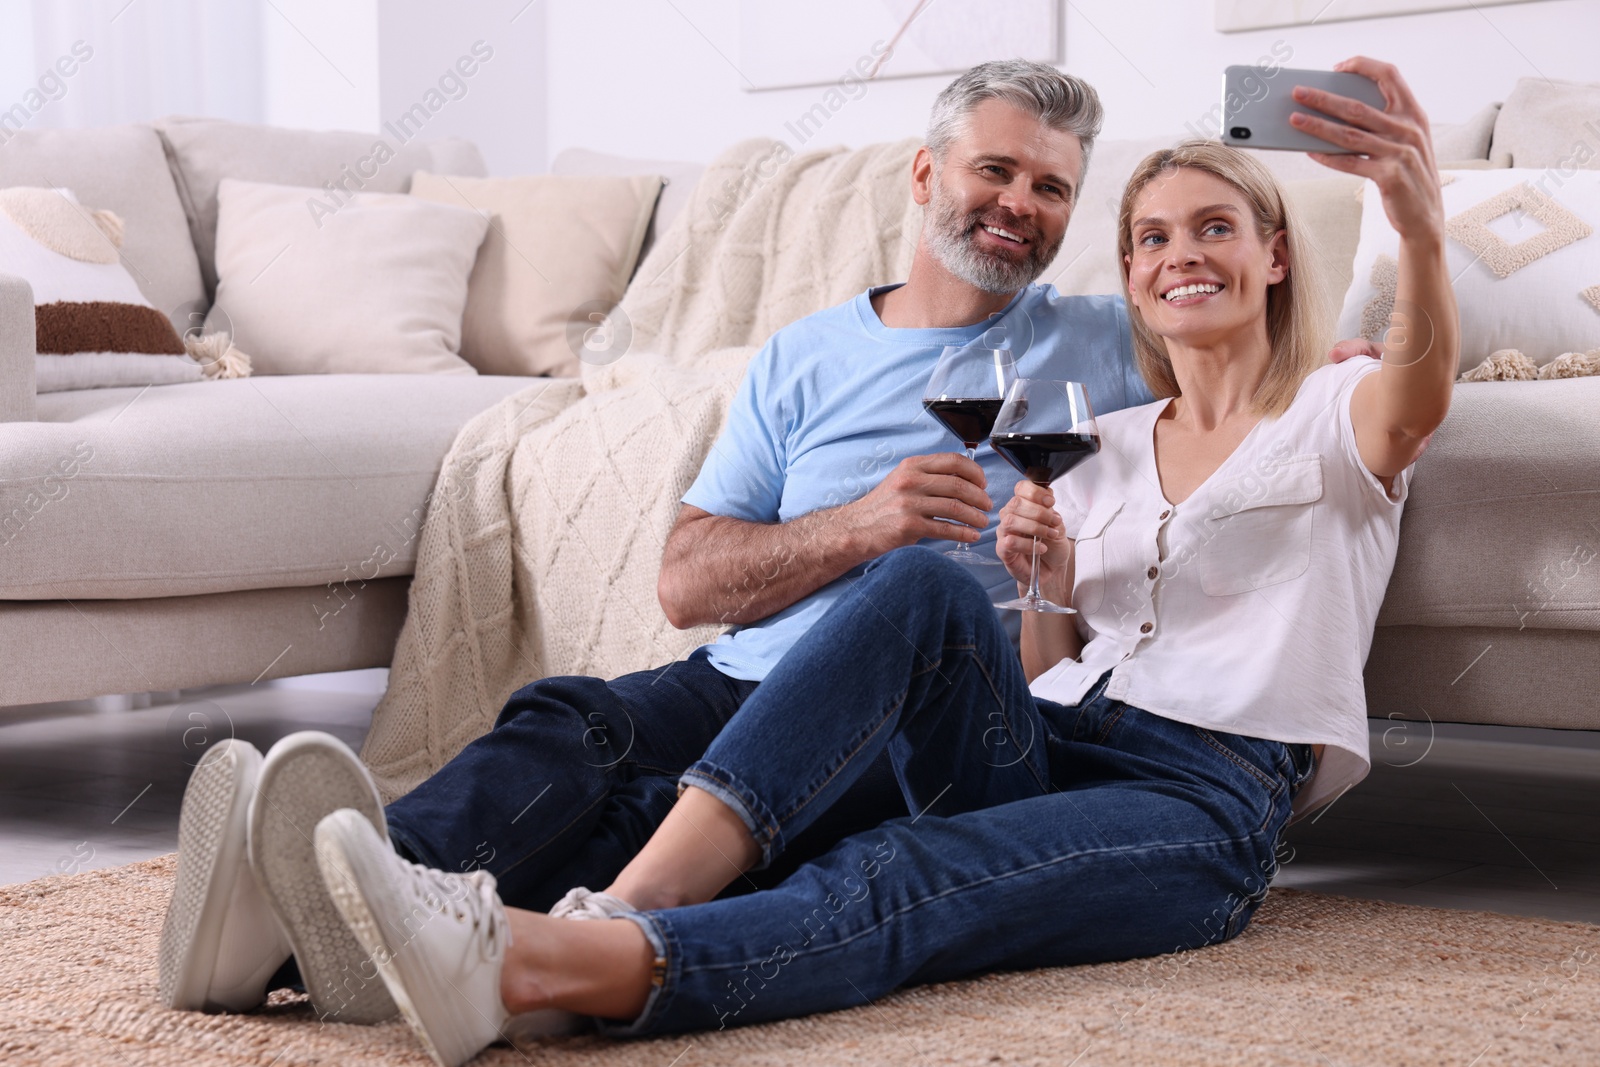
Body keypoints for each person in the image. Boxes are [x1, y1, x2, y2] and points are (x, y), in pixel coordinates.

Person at [159, 59, 1380, 1040]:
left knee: (685, 791)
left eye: (1051, 189)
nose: (1018, 203)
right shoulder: (800, 357)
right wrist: (861, 521)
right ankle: (324, 897)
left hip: (932, 697)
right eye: (994, 169)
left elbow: (1259, 363)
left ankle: (480, 928)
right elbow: (685, 583)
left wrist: (1348, 345)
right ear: (923, 174)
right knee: (569, 721)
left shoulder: (1107, 335)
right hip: (750, 671)